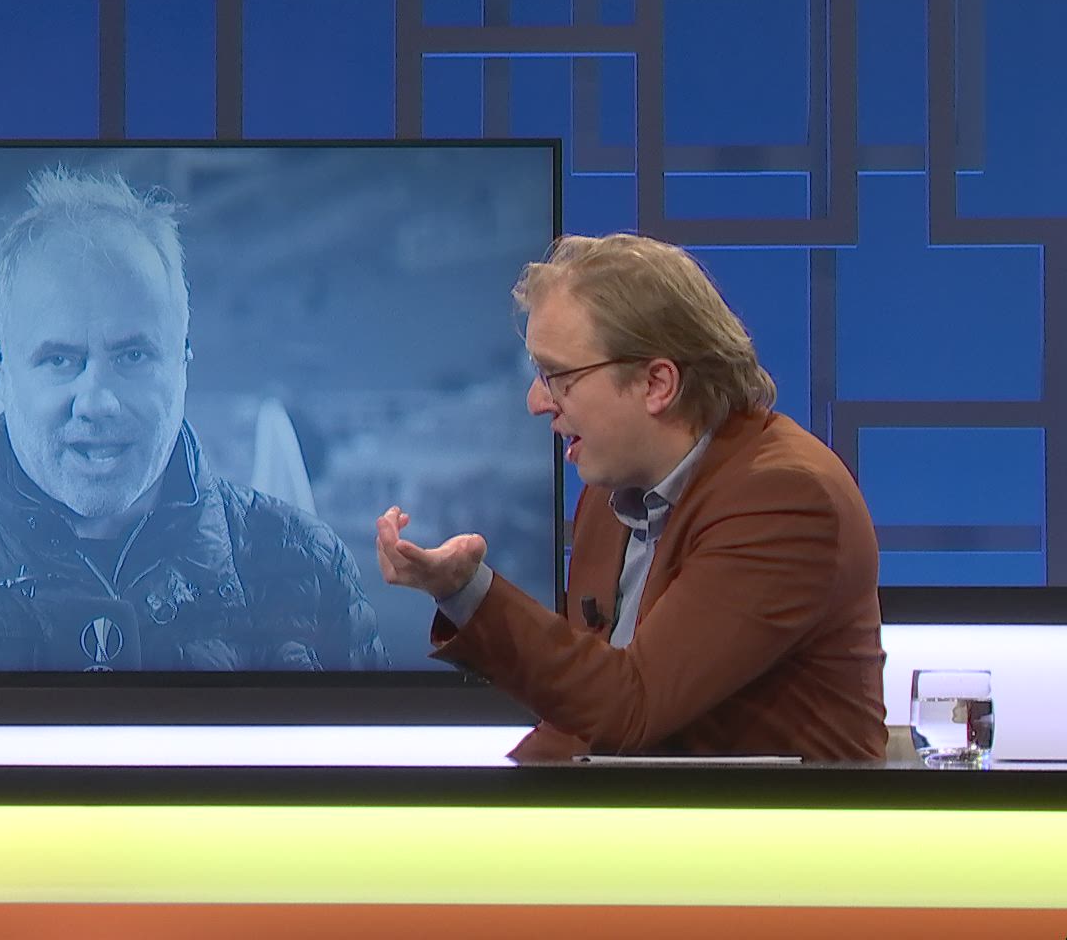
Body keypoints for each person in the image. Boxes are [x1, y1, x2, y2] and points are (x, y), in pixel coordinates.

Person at [0, 169, 385, 671]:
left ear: (183, 359)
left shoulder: (310, 567)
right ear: (1, 366)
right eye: (60, 359)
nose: (97, 400)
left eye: (133, 355)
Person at [377, 233, 885, 762]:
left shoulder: (783, 498)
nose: (536, 402)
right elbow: (580, 715)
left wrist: (467, 591)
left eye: (558, 376)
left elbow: (631, 708)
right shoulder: (612, 496)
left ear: (656, 384)